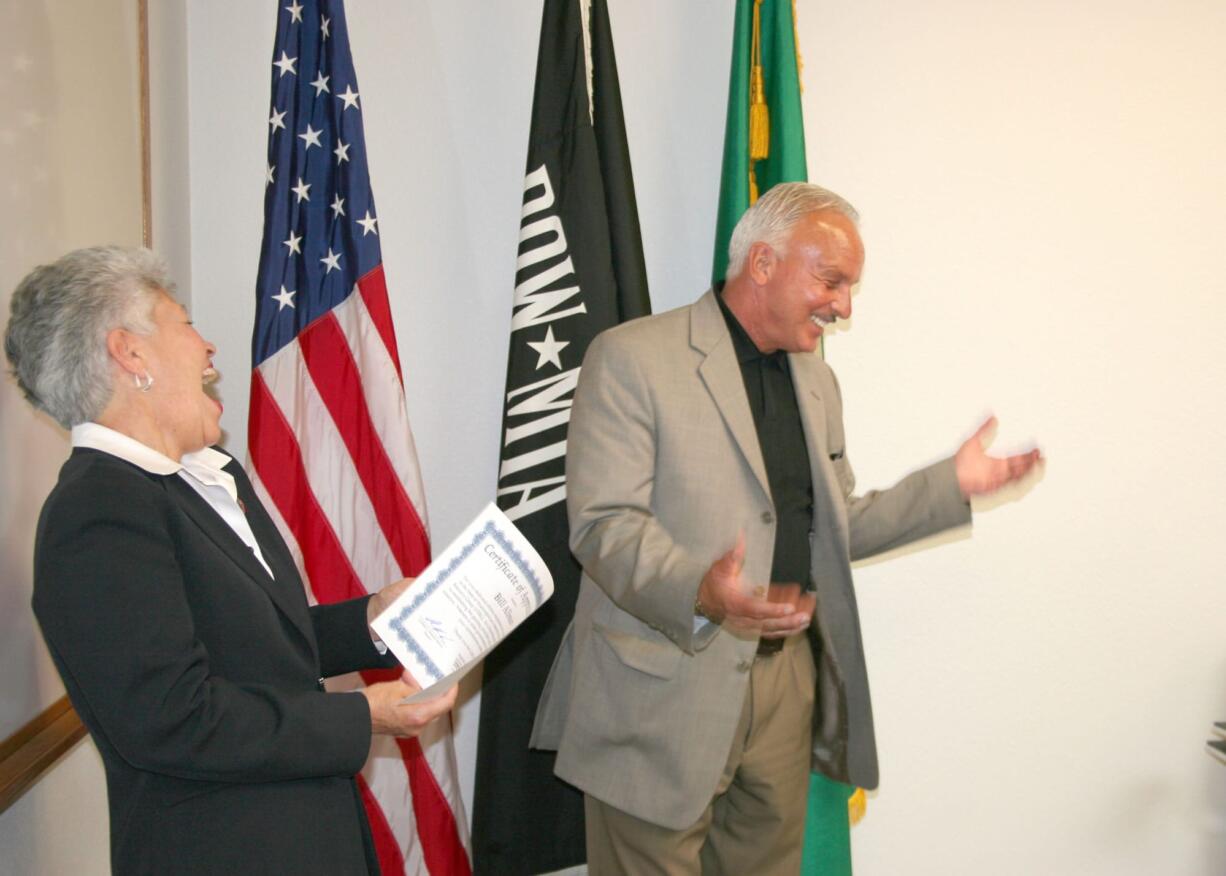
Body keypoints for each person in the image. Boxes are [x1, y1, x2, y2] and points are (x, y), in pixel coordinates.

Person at [531, 183, 1042, 874]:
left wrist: (948, 487)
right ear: (764, 263)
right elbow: (602, 526)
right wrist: (703, 591)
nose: (844, 306)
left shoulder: (818, 384)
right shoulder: (632, 358)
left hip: (784, 689)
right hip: (661, 688)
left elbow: (836, 526)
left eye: (851, 287)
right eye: (831, 281)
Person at [4, 246, 457, 875]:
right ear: (130, 353)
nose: (208, 348)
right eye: (184, 323)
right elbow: (175, 717)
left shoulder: (200, 480)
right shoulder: (98, 510)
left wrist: (372, 621)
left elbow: (257, 648)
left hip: (305, 835)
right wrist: (364, 716)